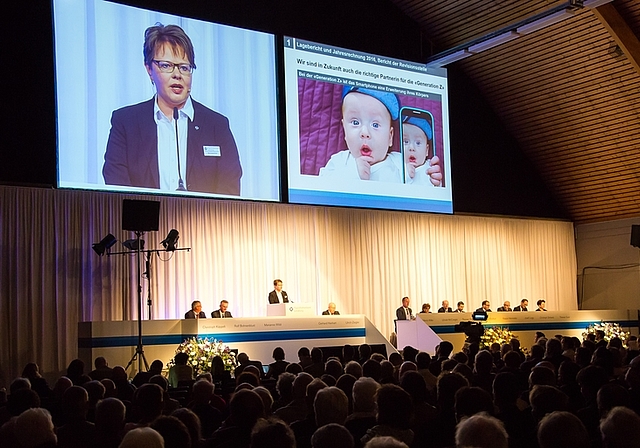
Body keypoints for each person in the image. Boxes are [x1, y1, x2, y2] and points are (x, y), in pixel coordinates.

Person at [103, 24, 242, 194]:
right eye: (167, 65)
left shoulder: (216, 125)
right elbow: (116, 183)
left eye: (184, 67)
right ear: (149, 69)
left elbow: (229, 185)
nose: (177, 74)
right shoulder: (126, 122)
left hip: (204, 220)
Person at [402, 116, 442, 186]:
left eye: (418, 143)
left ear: (427, 150)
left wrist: (438, 183)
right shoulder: (396, 161)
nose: (411, 148)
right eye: (406, 141)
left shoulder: (429, 168)